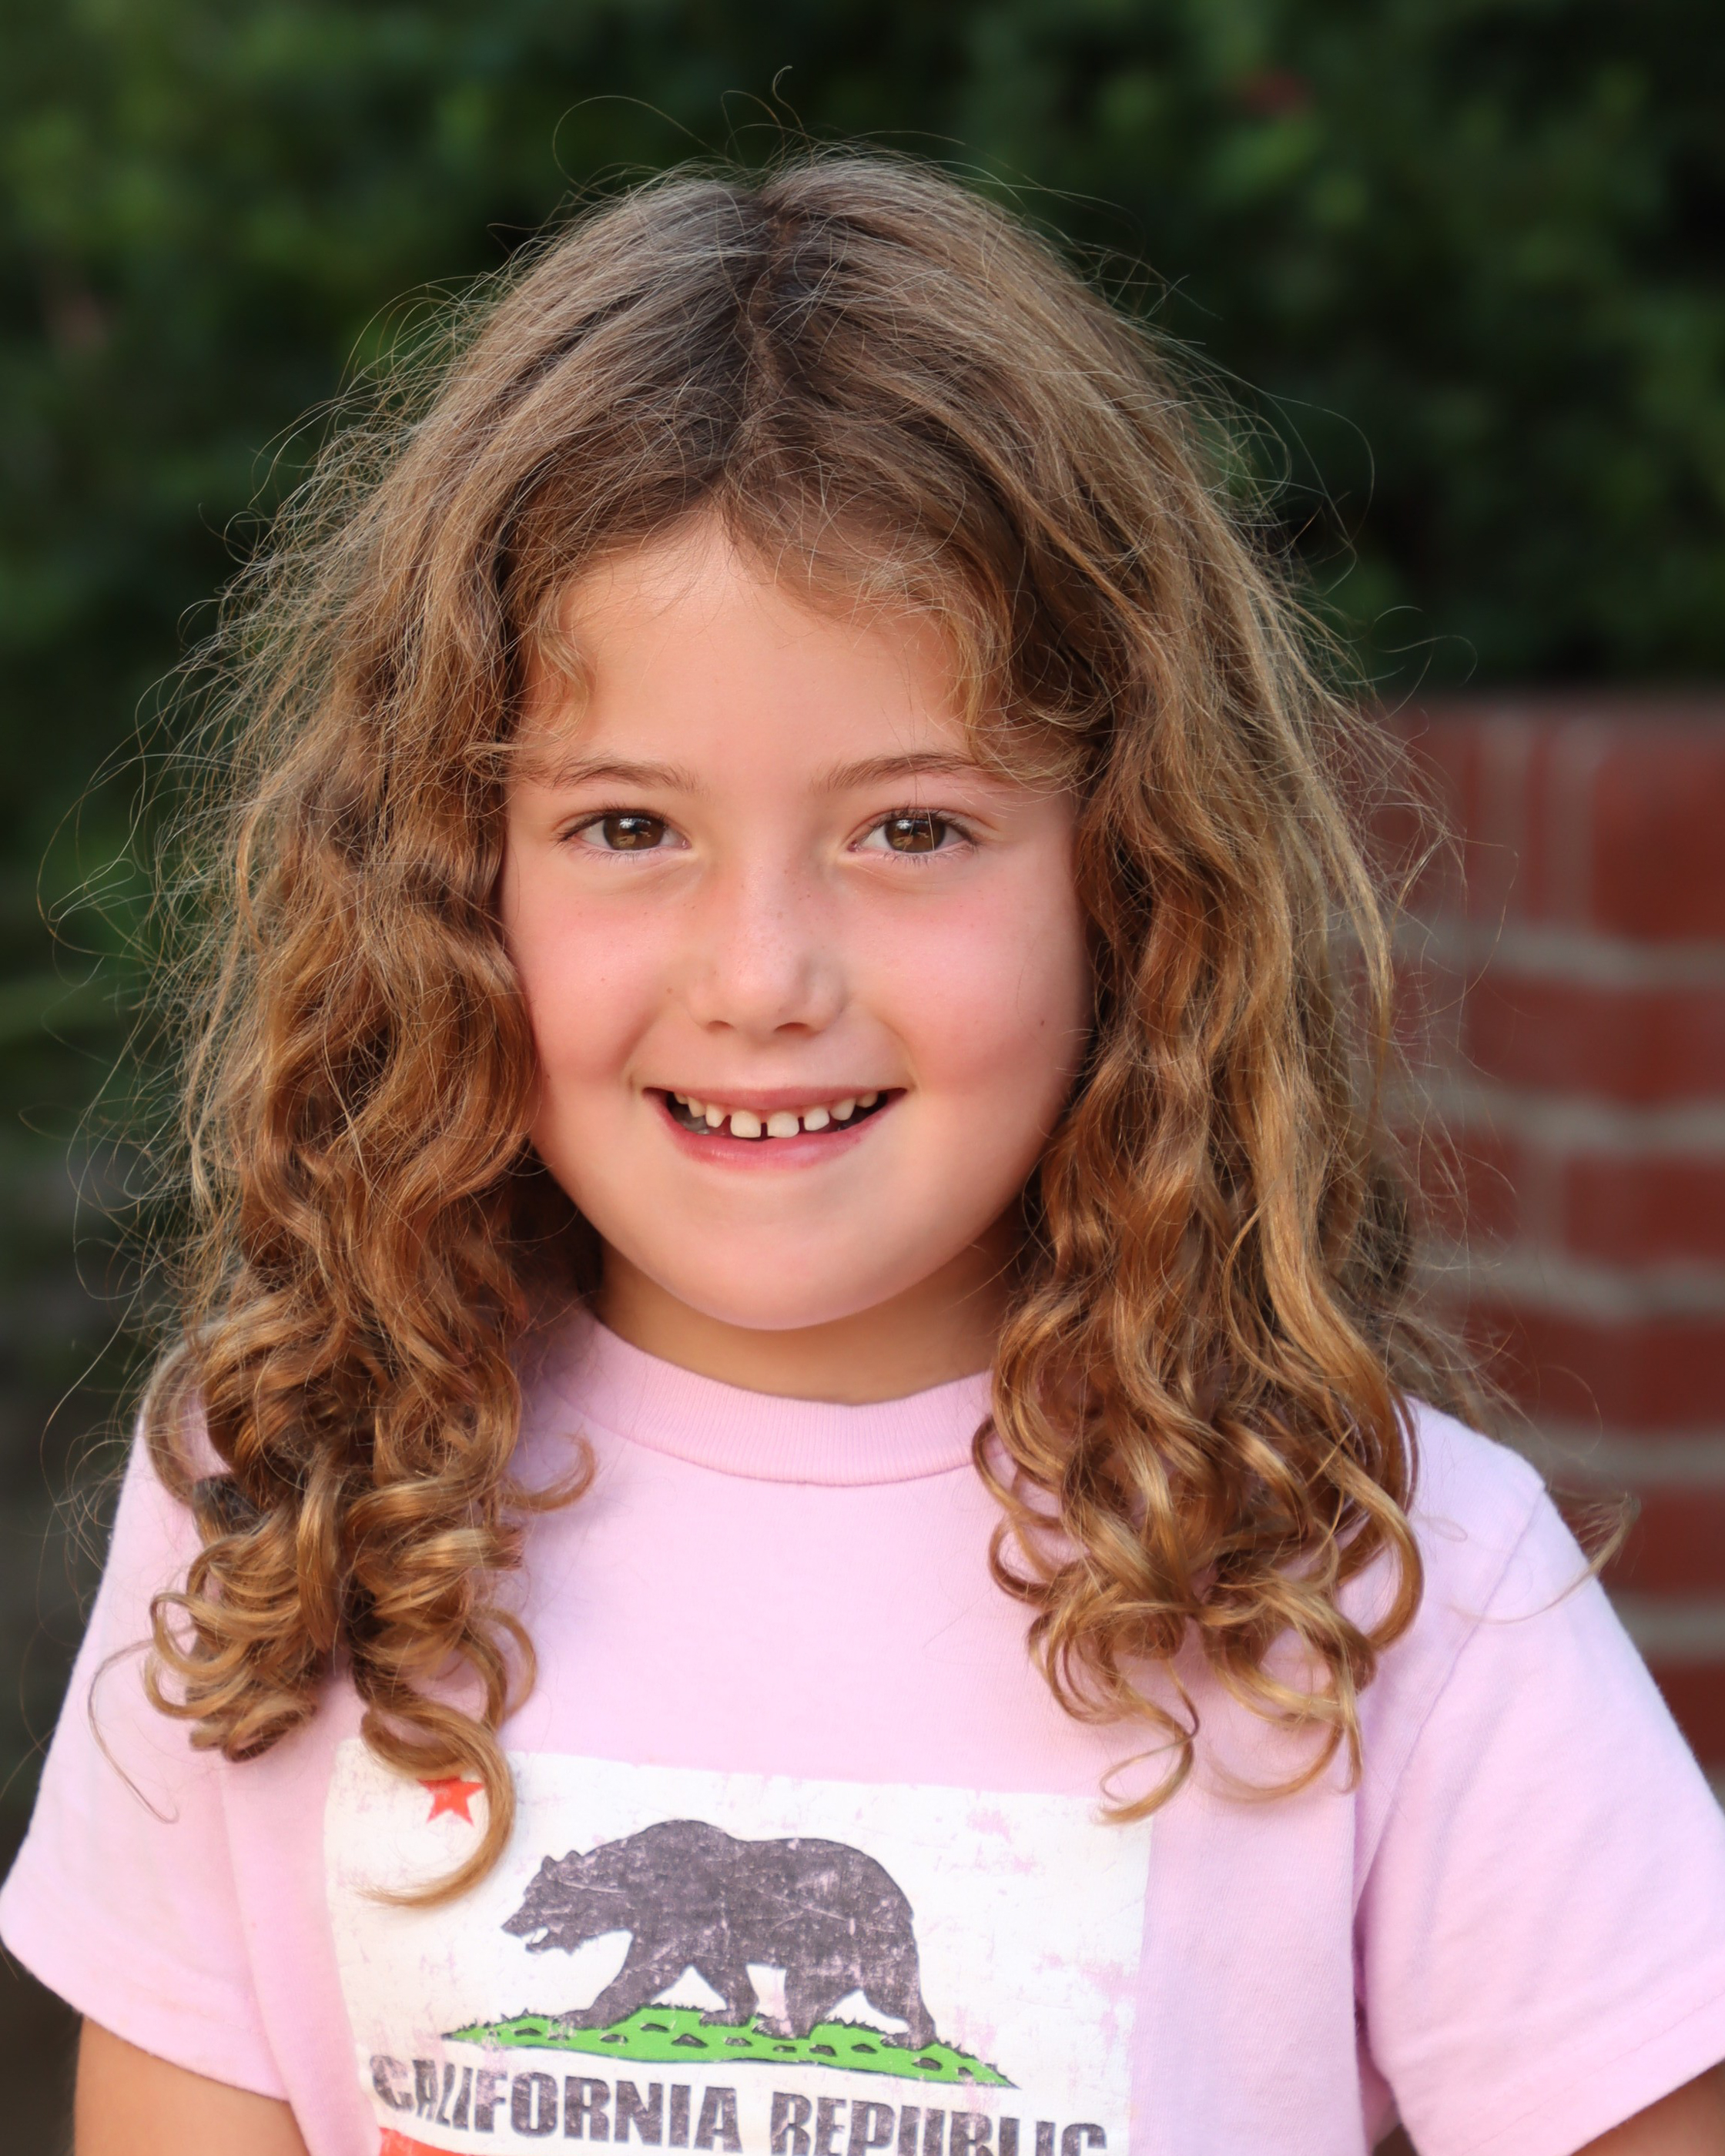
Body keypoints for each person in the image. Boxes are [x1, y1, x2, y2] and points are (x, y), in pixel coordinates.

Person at [4, 155, 1723, 2156]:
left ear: (1131, 883)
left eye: (913, 829)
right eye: (628, 828)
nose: (762, 978)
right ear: (453, 884)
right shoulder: (277, 1503)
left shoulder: (1389, 1585)